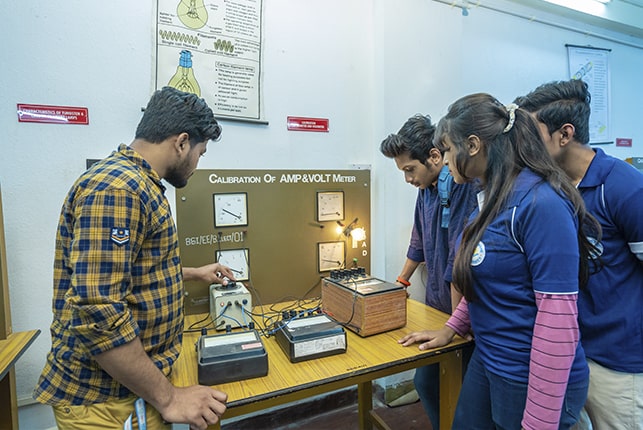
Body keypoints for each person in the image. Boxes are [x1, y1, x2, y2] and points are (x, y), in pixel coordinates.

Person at [34, 87, 234, 430]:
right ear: (182, 142)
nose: (197, 164)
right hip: (107, 402)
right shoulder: (118, 189)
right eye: (200, 153)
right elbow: (99, 312)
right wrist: (169, 398)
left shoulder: (136, 183)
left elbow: (126, 271)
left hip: (133, 391)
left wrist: (192, 273)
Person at [414, 93, 601, 429]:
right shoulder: (489, 198)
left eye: (447, 149)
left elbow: (557, 319)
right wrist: (451, 328)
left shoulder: (540, 203)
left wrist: (540, 421)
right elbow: (489, 280)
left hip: (529, 374)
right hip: (490, 359)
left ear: (472, 145)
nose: (444, 159)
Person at [515, 79, 643, 430]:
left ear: (564, 134)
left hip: (619, 365)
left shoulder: (623, 187)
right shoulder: (550, 189)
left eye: (531, 134)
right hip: (572, 356)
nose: (521, 146)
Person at [380, 114, 477, 430]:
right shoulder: (426, 191)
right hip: (438, 308)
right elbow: (418, 242)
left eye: (410, 169)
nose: (407, 178)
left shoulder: (464, 187)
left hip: (462, 313)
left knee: (463, 397)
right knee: (427, 384)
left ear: (435, 156)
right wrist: (400, 283)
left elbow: (459, 264)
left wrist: (454, 326)